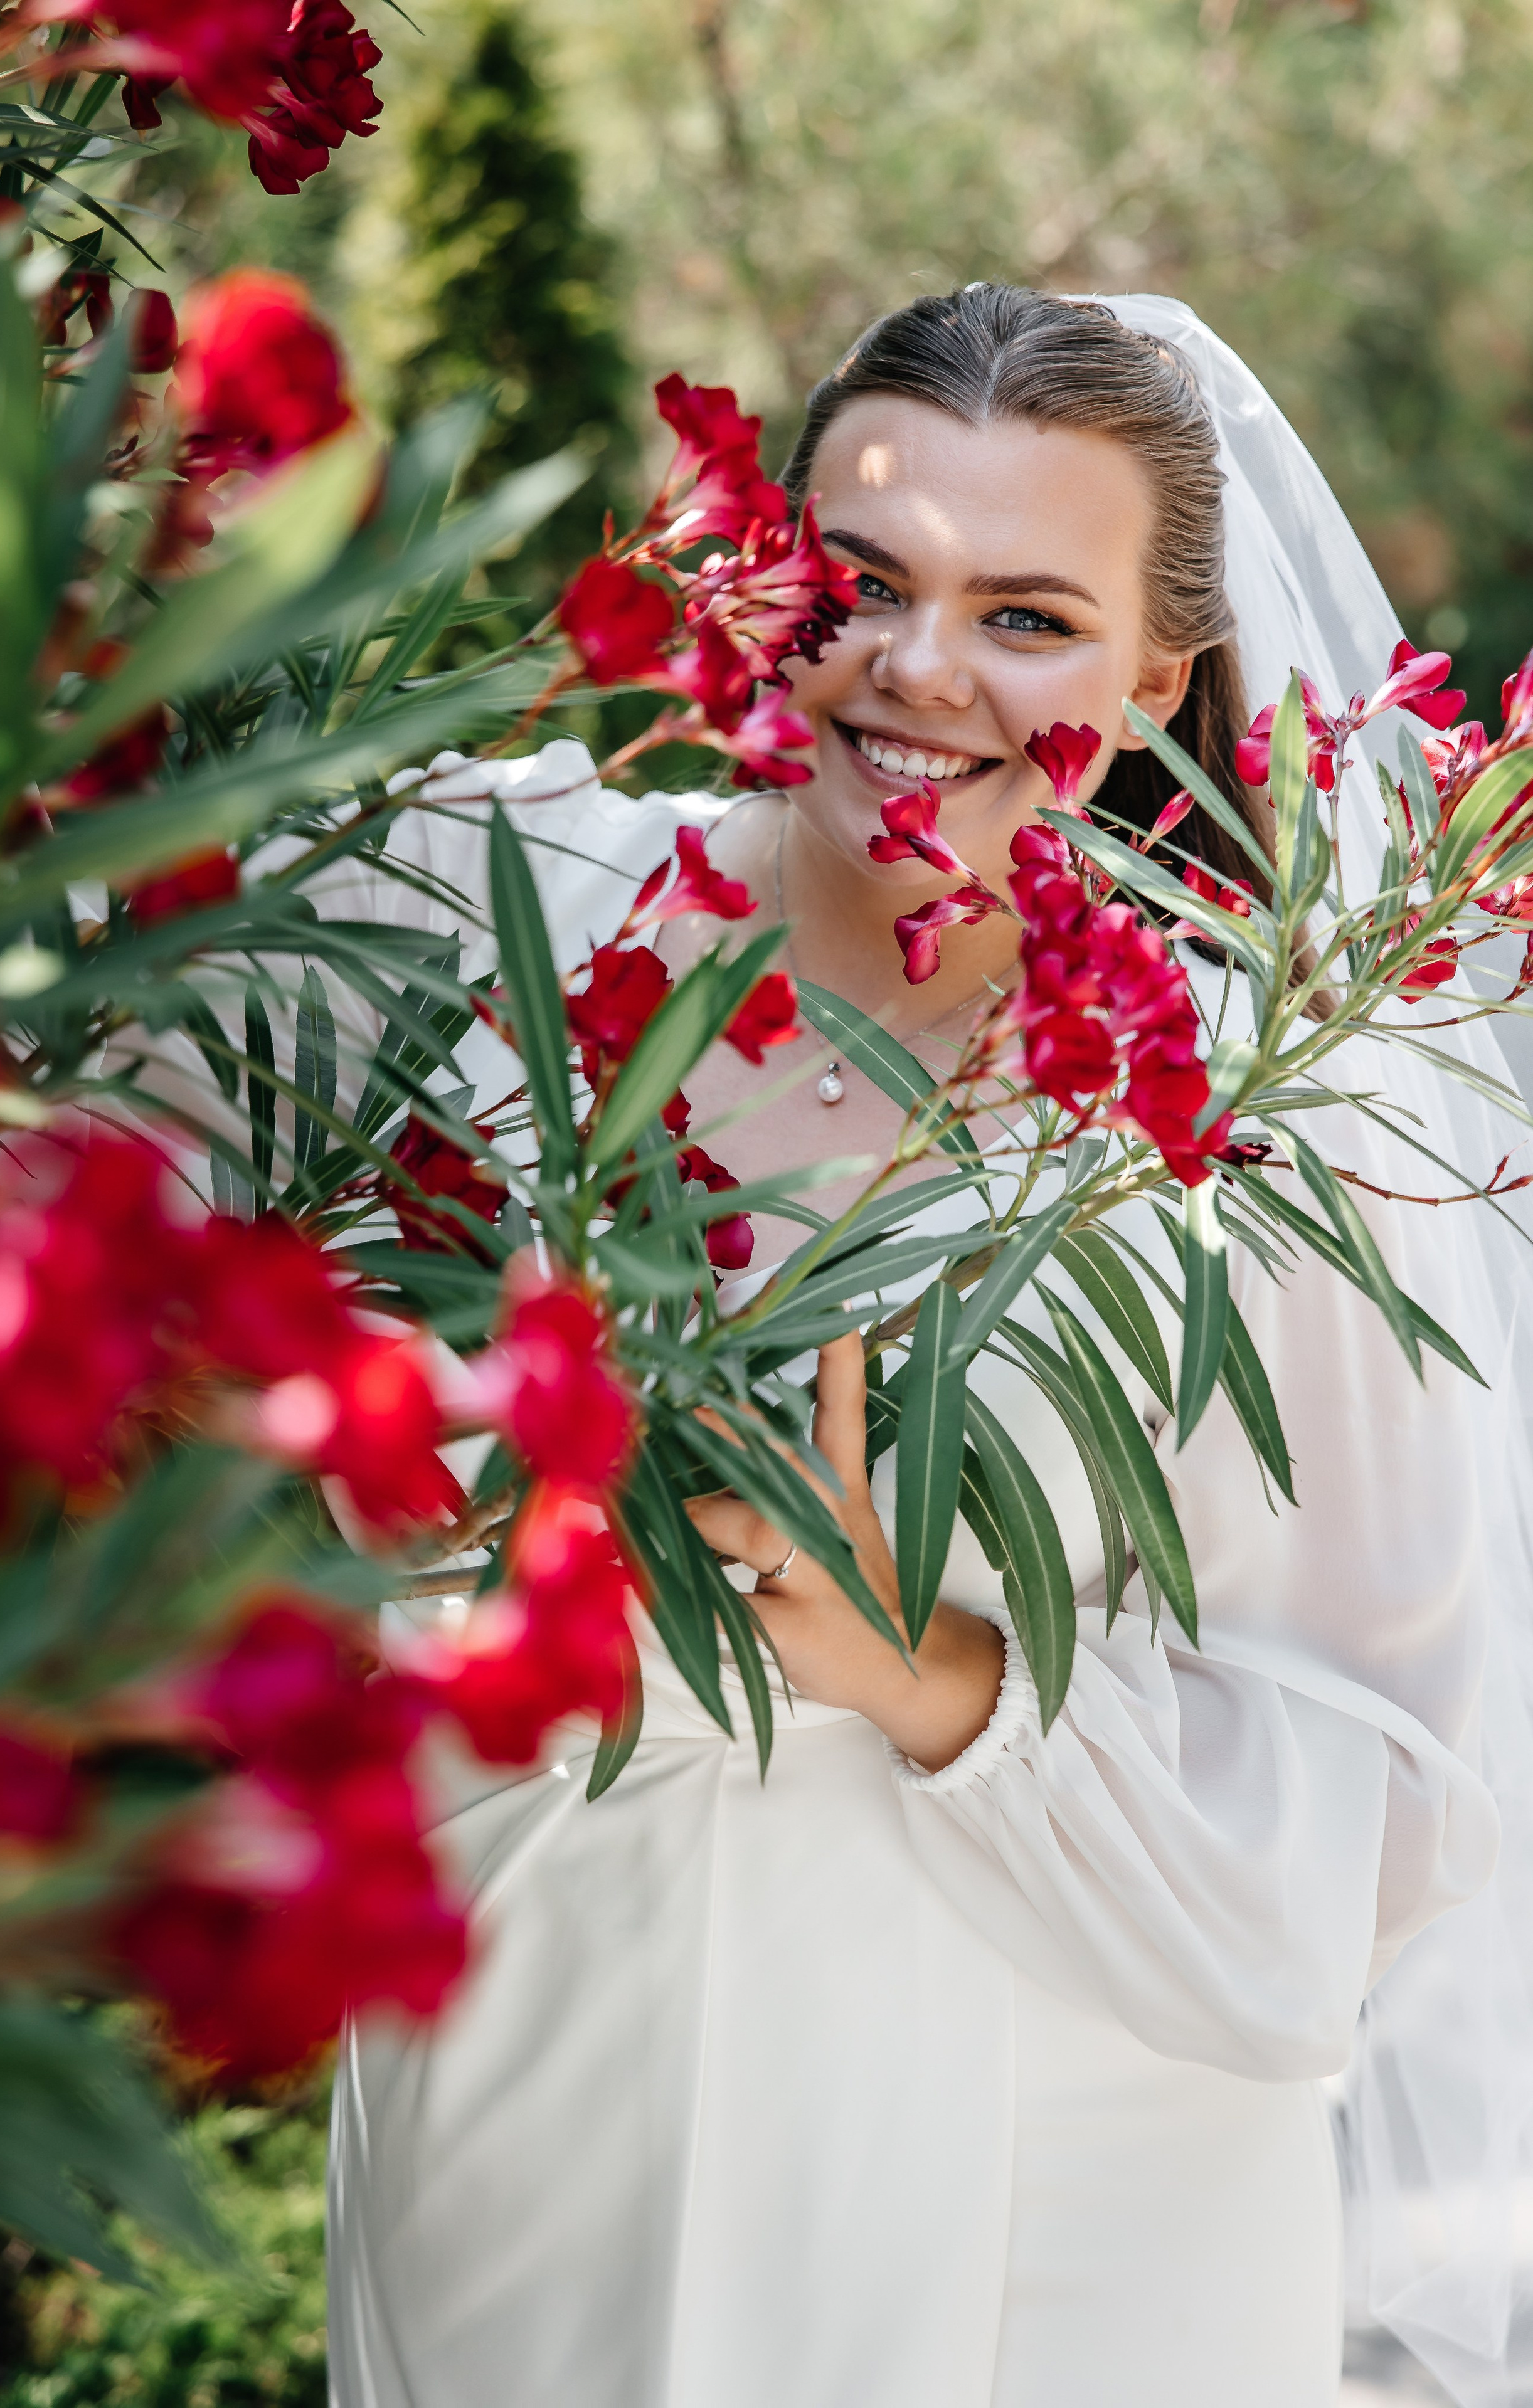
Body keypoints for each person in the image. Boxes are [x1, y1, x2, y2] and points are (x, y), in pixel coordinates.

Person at [322, 289, 1533, 2408]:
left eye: (1030, 618)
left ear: (1161, 679)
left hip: (1041, 2189)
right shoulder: (491, 894)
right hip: (517, 2085)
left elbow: (1378, 1819)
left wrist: (930, 1665)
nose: (919, 668)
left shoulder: (1256, 1126)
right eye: (863, 580)